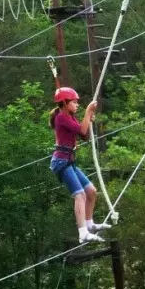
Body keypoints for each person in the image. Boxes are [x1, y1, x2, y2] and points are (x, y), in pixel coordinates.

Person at [50, 87, 109, 243]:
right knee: (80, 195)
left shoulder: (71, 118)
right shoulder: (62, 117)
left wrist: (88, 120)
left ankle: (89, 224)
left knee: (91, 192)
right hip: (61, 162)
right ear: (64, 103)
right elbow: (82, 129)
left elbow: (84, 135)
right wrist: (88, 113)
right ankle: (82, 232)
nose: (77, 105)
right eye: (74, 102)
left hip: (70, 161)